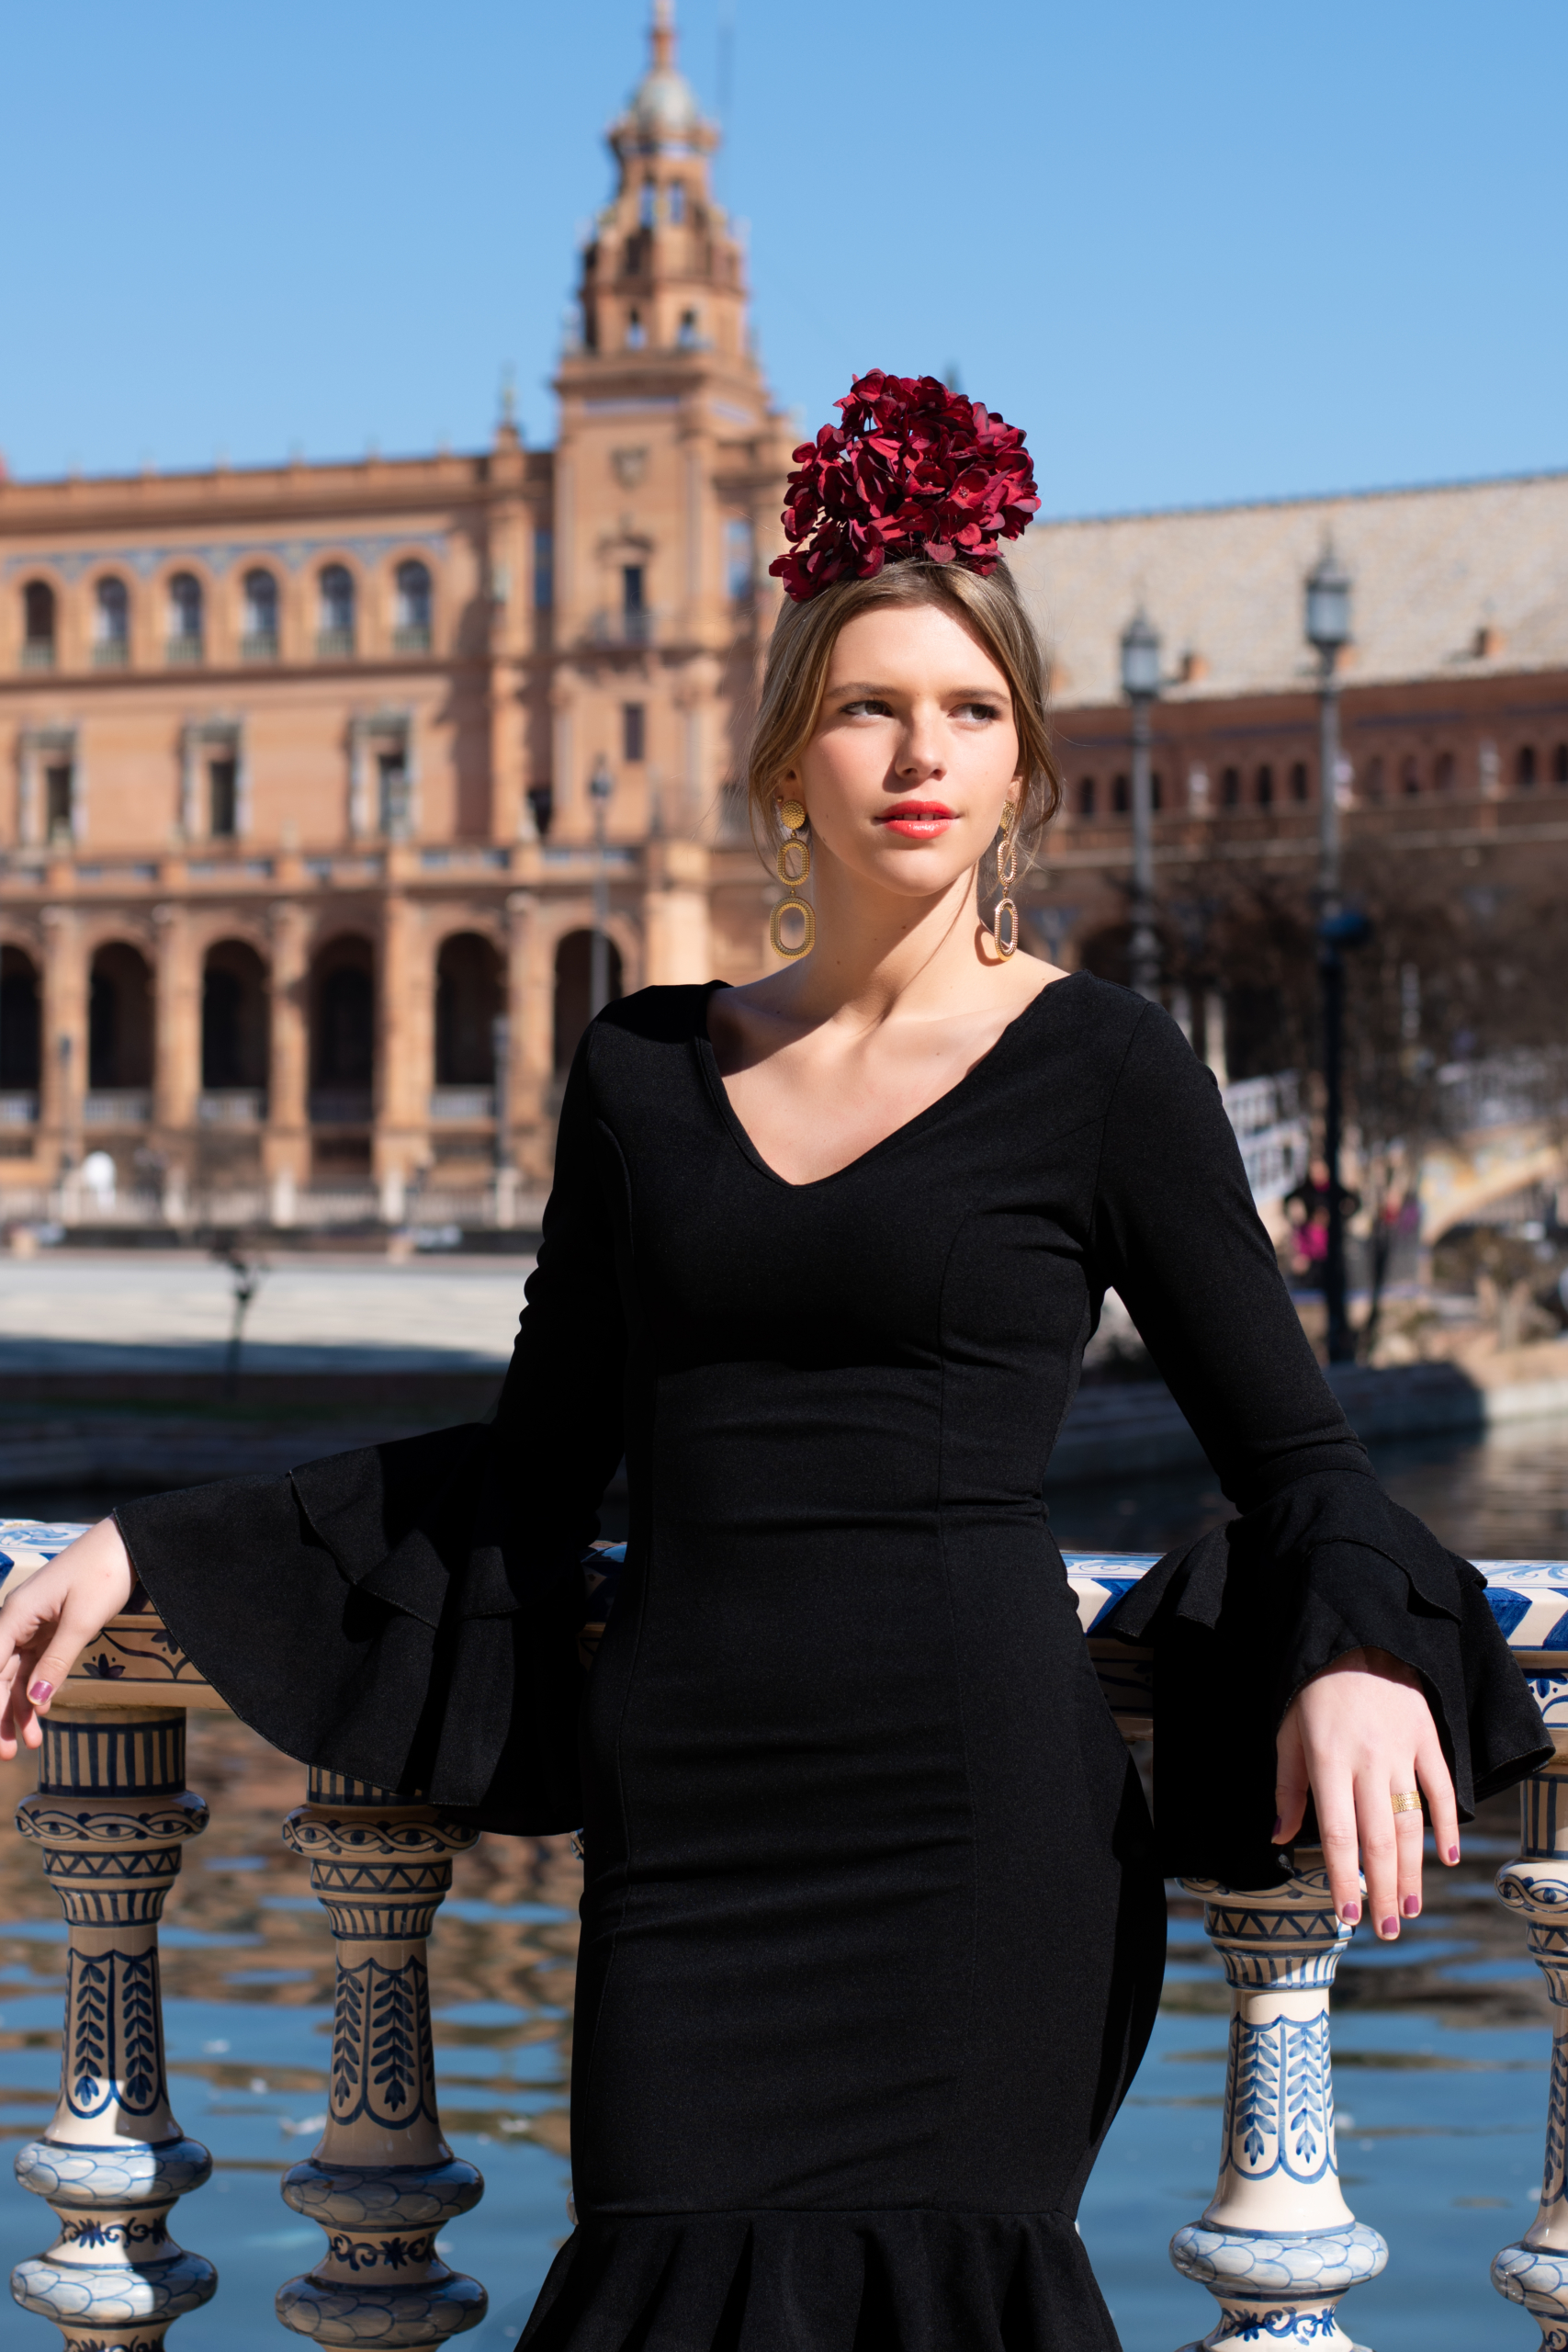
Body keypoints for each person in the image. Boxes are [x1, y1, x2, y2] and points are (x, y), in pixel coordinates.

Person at [0, 374, 1546, 2352]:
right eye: (871, 705)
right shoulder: (643, 1067)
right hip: (698, 1830)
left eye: (971, 711)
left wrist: (1341, 1645)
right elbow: (535, 1464)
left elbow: (1297, 1454)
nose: (922, 751)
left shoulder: (1101, 1069)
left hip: (980, 1823)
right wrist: (168, 1537)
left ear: (1021, 768)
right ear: (789, 750)